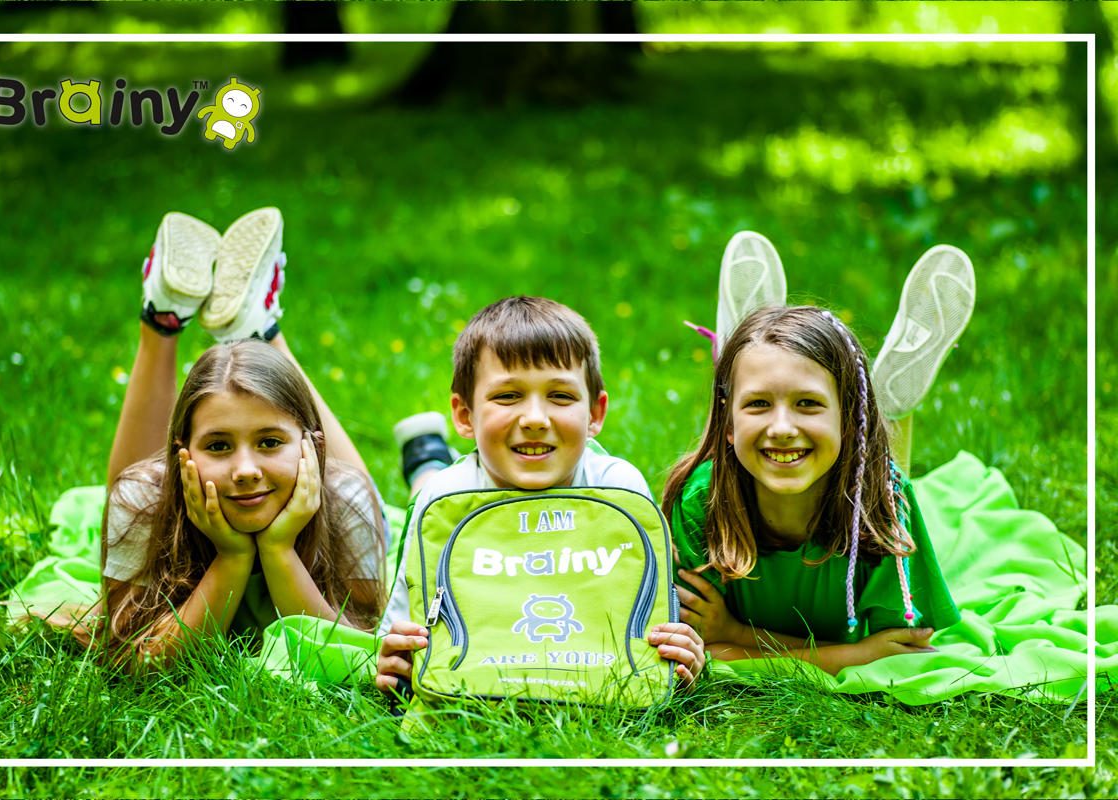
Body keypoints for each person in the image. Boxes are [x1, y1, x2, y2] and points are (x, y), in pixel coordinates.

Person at [664, 232, 972, 675]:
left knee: (880, 474)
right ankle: (751, 353)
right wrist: (854, 655)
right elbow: (698, 646)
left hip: (862, 479)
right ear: (727, 425)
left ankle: (884, 408)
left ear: (847, 419)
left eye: (807, 403)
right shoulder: (702, 501)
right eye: (758, 403)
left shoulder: (886, 502)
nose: (782, 428)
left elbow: (904, 652)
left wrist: (737, 635)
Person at [98, 207, 387, 668]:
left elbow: (355, 653)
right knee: (139, 490)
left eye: (269, 442)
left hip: (333, 489)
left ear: (312, 449)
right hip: (159, 496)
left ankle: (185, 318)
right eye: (217, 446)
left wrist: (277, 548)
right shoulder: (142, 497)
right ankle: (188, 321)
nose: (246, 471)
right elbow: (135, 663)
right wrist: (232, 557)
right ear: (181, 454)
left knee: (352, 488)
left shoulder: (345, 498)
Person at [374, 296, 705, 693]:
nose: (534, 419)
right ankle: (425, 459)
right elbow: (398, 630)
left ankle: (428, 454)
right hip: (446, 482)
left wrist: (678, 650)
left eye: (560, 396)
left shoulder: (620, 491)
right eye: (507, 396)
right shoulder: (442, 500)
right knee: (427, 484)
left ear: (595, 414)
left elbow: (649, 615)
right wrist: (396, 656)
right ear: (464, 416)